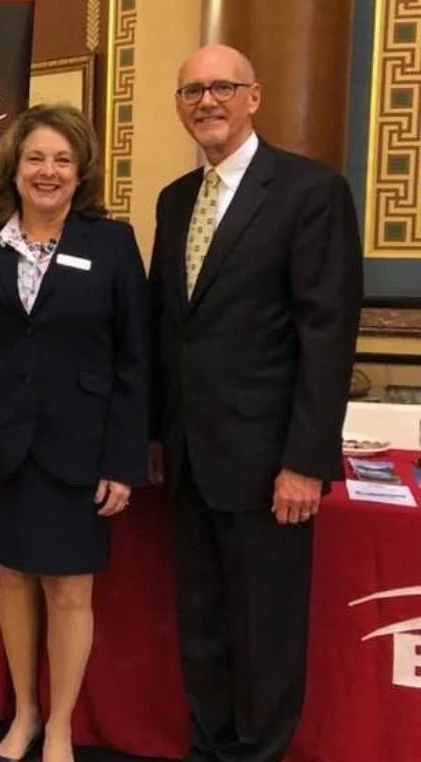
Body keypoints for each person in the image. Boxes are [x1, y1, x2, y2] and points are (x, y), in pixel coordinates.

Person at [149, 44, 363, 762]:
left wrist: (305, 462)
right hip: (187, 459)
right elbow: (166, 328)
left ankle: (259, 754)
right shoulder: (175, 201)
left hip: (270, 467)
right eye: (191, 91)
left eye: (221, 88)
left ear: (254, 97)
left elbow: (326, 339)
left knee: (266, 631)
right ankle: (210, 748)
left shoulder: (310, 192)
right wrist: (153, 437)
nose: (206, 101)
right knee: (202, 622)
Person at [0, 104, 149, 762]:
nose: (48, 171)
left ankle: (61, 724)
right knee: (15, 580)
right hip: (0, 446)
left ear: (80, 170)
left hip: (79, 448)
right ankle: (24, 714)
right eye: (36, 158)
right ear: (15, 168)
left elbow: (133, 360)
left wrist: (124, 460)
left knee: (69, 589)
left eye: (61, 159)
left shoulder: (110, 244)